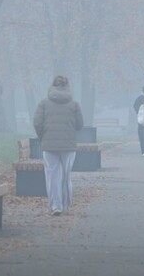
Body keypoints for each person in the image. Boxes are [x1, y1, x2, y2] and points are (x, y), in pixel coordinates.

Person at [33, 75, 84, 215]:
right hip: (68, 145)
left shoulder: (44, 103)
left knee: (52, 175)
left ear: (52, 86)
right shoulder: (74, 104)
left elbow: (37, 123)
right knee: (66, 175)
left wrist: (42, 136)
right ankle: (66, 203)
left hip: (49, 145)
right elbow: (80, 125)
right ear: (68, 86)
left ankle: (56, 205)